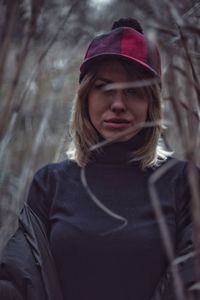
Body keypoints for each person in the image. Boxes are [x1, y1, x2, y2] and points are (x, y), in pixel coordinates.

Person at [0, 18, 199, 300]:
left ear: (151, 104)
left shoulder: (184, 183)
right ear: (85, 98)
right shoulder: (50, 183)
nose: (118, 104)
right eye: (105, 87)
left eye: (133, 91)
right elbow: (17, 280)